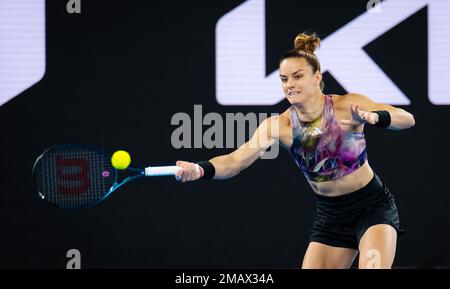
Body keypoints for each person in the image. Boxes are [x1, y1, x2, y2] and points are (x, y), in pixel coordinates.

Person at [174, 32, 415, 269]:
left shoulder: (345, 105)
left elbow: (406, 118)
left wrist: (375, 117)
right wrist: (199, 169)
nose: (290, 85)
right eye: (284, 79)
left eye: (297, 76)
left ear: (317, 76)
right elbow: (235, 161)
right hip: (330, 217)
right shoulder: (279, 126)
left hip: (372, 208)